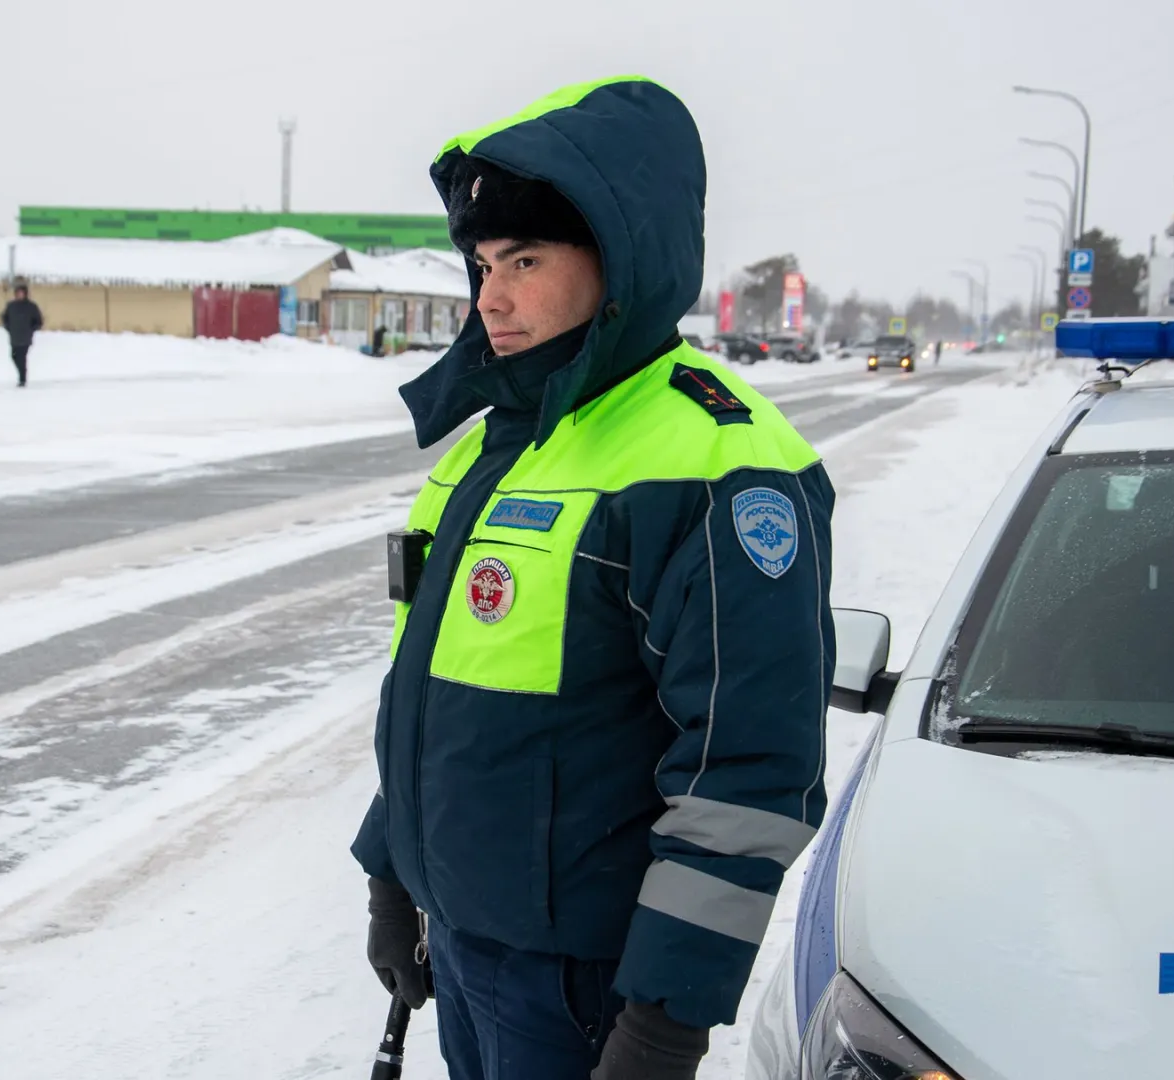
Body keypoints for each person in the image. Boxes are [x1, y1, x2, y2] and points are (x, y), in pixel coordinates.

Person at [354, 77, 835, 1080]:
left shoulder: (712, 460)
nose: (491, 297)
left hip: (588, 990)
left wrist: (662, 1019)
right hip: (468, 949)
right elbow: (435, 700)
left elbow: (747, 770)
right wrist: (393, 874)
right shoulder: (500, 446)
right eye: (483, 264)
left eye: (524, 261)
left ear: (617, 262)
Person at [0, 284, 43, 387]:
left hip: (25, 337)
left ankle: (22, 379)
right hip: (14, 336)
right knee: (14, 356)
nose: (19, 295)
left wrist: (31, 329)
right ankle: (21, 375)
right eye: (17, 293)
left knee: (22, 358)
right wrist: (8, 327)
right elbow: (4, 317)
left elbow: (38, 321)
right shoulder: (11, 306)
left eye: (21, 293)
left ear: (25, 294)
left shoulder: (31, 306)